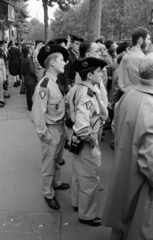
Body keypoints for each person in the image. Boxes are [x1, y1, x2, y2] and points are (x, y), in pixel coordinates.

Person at [102, 53, 153, 240]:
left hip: (124, 176)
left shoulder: (130, 95)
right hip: (140, 190)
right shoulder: (150, 105)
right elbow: (150, 164)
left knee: (120, 226)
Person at [70, 57, 108, 226]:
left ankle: (77, 204)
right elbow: (82, 125)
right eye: (99, 71)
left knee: (79, 175)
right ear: (91, 74)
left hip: (77, 141)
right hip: (86, 142)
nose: (101, 74)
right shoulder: (87, 94)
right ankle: (87, 215)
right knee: (90, 179)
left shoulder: (77, 88)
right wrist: (91, 140)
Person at [31, 44, 70, 211]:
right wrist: (45, 135)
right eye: (62, 60)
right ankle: (48, 194)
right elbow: (37, 115)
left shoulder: (54, 82)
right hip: (51, 129)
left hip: (59, 128)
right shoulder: (44, 86)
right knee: (48, 164)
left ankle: (56, 183)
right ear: (53, 62)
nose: (65, 62)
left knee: (57, 159)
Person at [118, 27, 151, 93]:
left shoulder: (126, 56)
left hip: (126, 97)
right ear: (141, 40)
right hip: (139, 96)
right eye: (148, 39)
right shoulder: (141, 58)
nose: (150, 42)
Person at [21, 46, 37, 111]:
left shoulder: (23, 59)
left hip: (27, 78)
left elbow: (22, 71)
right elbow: (32, 70)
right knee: (31, 94)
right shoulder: (28, 59)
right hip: (31, 79)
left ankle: (29, 106)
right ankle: (31, 107)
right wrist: (35, 76)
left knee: (28, 94)